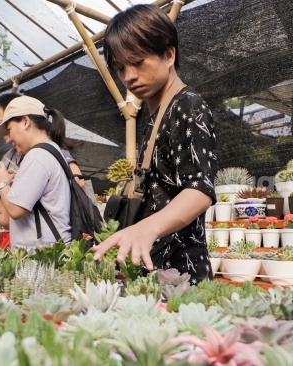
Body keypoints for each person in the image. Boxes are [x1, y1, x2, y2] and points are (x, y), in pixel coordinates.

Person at [92, 4, 217, 284]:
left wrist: (146, 228)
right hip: (158, 266)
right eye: (120, 68)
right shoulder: (157, 114)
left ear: (169, 54)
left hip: (183, 275)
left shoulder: (188, 106)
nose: (128, 77)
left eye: (138, 63)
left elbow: (199, 190)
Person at [0, 96, 72, 249]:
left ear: (26, 122)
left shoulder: (37, 156)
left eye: (9, 129)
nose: (7, 139)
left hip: (43, 255)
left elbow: (15, 209)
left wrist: (2, 182)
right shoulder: (52, 150)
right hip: (51, 248)